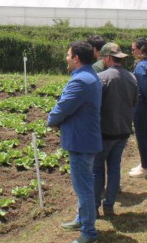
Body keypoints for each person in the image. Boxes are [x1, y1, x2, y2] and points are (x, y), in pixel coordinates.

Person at [49, 41, 102, 243]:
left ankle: (89, 233)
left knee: (83, 188)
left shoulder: (80, 81)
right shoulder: (90, 76)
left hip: (81, 141)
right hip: (86, 138)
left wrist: (51, 121)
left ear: (76, 59)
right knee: (84, 184)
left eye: (68, 55)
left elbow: (63, 106)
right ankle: (82, 219)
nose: (66, 58)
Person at [93, 43, 138, 217]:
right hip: (124, 130)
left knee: (97, 169)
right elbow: (134, 102)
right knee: (114, 167)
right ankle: (109, 206)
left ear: (110, 58)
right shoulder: (132, 77)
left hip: (105, 131)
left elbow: (95, 105)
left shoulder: (101, 77)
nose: (103, 60)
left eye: (104, 58)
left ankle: (95, 207)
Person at [129, 38, 147, 179]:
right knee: (145, 134)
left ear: (141, 50)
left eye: (133, 49)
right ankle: (145, 163)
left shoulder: (140, 67)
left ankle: (145, 167)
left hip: (141, 105)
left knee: (141, 135)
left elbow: (145, 88)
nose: (132, 51)